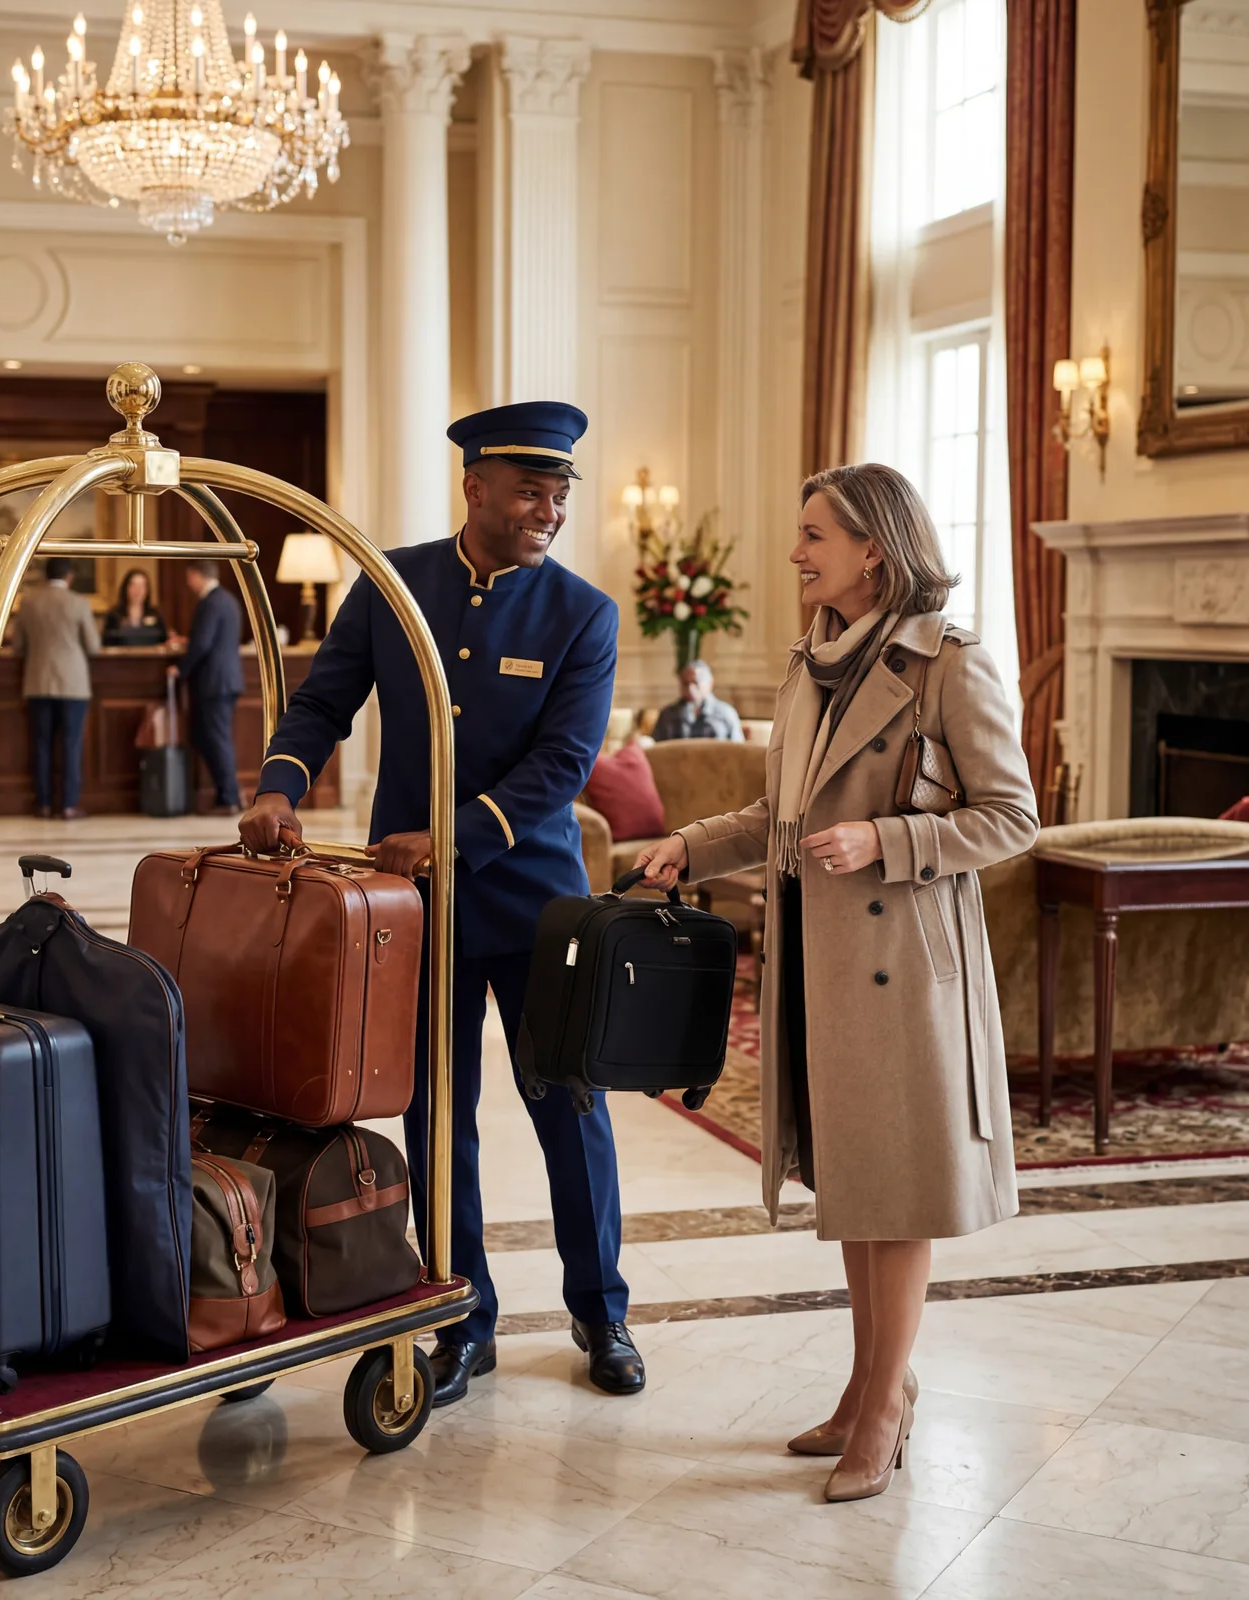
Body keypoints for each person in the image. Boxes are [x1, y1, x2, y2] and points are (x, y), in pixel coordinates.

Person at [634, 463, 1037, 1502]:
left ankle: (887, 1406)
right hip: (818, 964)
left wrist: (889, 838)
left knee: (894, 1197)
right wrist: (688, 844)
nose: (795, 551)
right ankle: (866, 1390)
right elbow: (781, 819)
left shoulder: (951, 662)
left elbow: (1009, 817)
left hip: (906, 968)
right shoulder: (810, 659)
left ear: (875, 548)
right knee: (856, 1188)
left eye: (813, 534)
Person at [239, 401, 643, 1405]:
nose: (548, 509)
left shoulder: (583, 615)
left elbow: (561, 765)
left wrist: (453, 834)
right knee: (436, 1116)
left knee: (569, 1112)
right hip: (417, 912)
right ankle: (463, 1316)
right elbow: (323, 700)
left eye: (559, 495)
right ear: (474, 486)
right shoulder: (393, 583)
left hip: (538, 904)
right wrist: (280, 783)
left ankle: (603, 1312)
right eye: (528, 491)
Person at [14, 557, 101, 819]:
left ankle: (42, 804)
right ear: (70, 576)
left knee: (41, 745)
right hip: (73, 684)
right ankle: (68, 805)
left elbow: (17, 646)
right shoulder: (79, 603)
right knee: (71, 745)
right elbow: (94, 647)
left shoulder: (28, 602)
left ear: (44, 576)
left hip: (38, 681)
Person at [173, 561, 245, 815]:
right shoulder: (227, 599)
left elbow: (203, 643)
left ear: (196, 575)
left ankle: (229, 798)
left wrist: (180, 669)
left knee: (216, 740)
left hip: (214, 682)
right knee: (211, 738)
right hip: (225, 680)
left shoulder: (210, 602)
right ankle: (230, 794)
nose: (187, 583)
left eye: (189, 577)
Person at [652, 659, 743, 742]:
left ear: (710, 684)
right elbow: (655, 749)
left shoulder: (725, 713)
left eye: (695, 682)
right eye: (685, 683)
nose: (690, 688)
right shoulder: (668, 715)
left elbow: (738, 748)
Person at [103, 568, 174, 646]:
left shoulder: (156, 615)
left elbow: (164, 641)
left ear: (147, 590)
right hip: (123, 657)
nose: (138, 590)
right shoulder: (114, 616)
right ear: (126, 588)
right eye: (134, 585)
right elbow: (106, 643)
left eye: (142, 586)